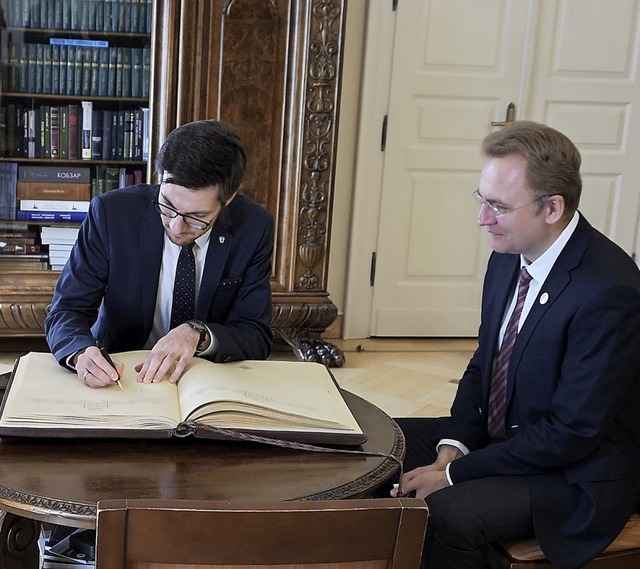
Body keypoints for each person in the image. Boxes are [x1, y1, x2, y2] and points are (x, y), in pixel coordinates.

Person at [391, 121, 640, 569]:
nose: (482, 218)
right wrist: (455, 444)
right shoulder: (509, 257)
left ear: (552, 208)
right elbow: (484, 363)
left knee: (449, 514)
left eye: (498, 206)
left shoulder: (609, 291)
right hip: (511, 438)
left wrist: (453, 473)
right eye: (481, 199)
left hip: (574, 474)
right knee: (380, 444)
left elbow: (570, 434)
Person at [45, 119, 274, 387]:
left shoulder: (254, 227)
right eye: (167, 205)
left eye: (197, 216)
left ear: (229, 199)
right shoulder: (112, 214)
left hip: (204, 381)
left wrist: (198, 334)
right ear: (160, 179)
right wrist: (80, 353)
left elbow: (255, 333)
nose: (176, 226)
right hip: (122, 375)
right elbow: (66, 310)